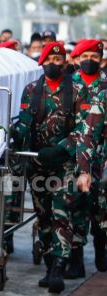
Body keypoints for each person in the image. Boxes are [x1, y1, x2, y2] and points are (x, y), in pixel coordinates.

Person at [11, 42, 85, 294]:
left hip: (64, 163)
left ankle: (58, 268)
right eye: (49, 60)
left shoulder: (76, 90)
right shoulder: (31, 90)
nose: (54, 64)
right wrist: (17, 133)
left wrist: (63, 147)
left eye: (58, 60)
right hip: (37, 162)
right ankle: (49, 263)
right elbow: (24, 121)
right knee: (43, 215)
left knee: (61, 214)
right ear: (42, 63)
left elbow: (83, 128)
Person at [68, 39, 107, 275]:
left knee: (101, 206)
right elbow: (81, 130)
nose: (90, 60)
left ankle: (101, 248)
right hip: (78, 155)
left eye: (95, 56)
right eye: (86, 56)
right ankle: (76, 257)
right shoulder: (68, 86)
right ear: (76, 59)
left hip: (99, 155)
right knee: (77, 205)